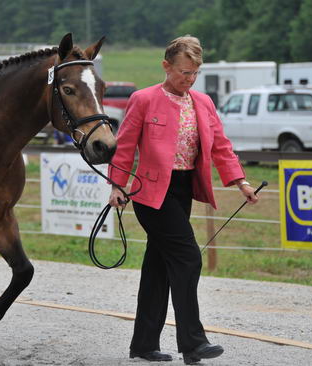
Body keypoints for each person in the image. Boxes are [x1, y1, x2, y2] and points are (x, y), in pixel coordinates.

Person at [108, 35, 259, 365]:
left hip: (182, 191)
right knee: (188, 258)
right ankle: (193, 343)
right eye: (183, 73)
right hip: (151, 195)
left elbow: (221, 146)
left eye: (194, 74)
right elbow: (125, 146)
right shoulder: (143, 99)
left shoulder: (203, 102)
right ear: (166, 66)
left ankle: (143, 345)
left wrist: (240, 182)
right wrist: (117, 185)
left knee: (158, 269)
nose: (188, 80)